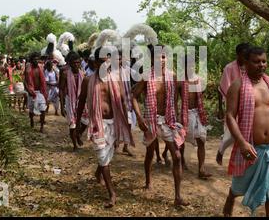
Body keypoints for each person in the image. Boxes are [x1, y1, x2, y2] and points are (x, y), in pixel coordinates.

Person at [222, 46, 269, 217]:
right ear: (246, 63)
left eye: (264, 61)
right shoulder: (237, 86)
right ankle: (230, 199)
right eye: (256, 62)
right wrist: (242, 143)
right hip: (250, 150)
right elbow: (230, 116)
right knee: (238, 188)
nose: (261, 65)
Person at [131, 45, 188, 207]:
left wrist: (180, 117)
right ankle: (148, 180)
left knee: (176, 156)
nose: (161, 60)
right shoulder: (146, 77)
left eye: (163, 57)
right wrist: (140, 119)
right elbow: (133, 96)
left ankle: (177, 196)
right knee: (150, 152)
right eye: (157, 57)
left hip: (168, 120)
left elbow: (180, 96)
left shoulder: (173, 77)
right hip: (151, 120)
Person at [76, 47, 130, 208]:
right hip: (97, 124)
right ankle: (112, 193)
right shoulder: (88, 80)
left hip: (113, 123)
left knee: (108, 154)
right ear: (95, 62)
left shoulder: (116, 79)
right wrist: (79, 124)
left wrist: (126, 122)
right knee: (103, 155)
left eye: (108, 60)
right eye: (101, 61)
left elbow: (122, 103)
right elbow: (81, 102)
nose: (105, 63)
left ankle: (98, 172)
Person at [216, 43, 250, 166]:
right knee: (231, 132)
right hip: (233, 103)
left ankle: (243, 161)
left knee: (246, 132)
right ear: (238, 55)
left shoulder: (249, 67)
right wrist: (220, 108)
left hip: (247, 104)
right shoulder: (229, 68)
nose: (245, 57)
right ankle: (221, 150)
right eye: (243, 55)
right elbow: (221, 89)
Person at [179, 54, 211, 179]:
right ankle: (181, 161)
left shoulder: (199, 79)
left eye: (192, 64)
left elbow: (201, 95)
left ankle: (201, 169)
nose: (191, 67)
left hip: (198, 113)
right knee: (181, 141)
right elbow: (175, 98)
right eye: (188, 65)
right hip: (185, 113)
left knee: (201, 140)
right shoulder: (180, 81)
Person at [59, 52, 86, 151]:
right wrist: (62, 107)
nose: (76, 65)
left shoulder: (83, 73)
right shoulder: (65, 74)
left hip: (81, 101)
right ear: (70, 63)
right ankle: (74, 145)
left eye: (78, 63)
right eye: (74, 63)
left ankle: (78, 135)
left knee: (85, 122)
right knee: (73, 124)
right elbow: (61, 90)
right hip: (70, 101)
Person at [24, 52, 48, 132]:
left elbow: (43, 82)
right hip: (31, 92)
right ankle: (31, 120)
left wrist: (45, 92)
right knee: (31, 111)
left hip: (40, 92)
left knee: (43, 109)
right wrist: (28, 90)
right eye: (34, 59)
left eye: (37, 59)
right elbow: (25, 81)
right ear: (31, 60)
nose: (36, 61)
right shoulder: (28, 69)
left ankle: (41, 127)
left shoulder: (40, 69)